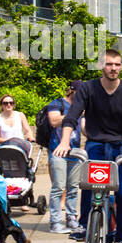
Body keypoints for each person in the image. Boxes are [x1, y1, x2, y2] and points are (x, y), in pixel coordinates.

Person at [55, 48, 122, 243]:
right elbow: (71, 117)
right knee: (89, 185)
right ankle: (85, 224)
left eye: (117, 64)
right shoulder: (88, 88)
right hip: (97, 145)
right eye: (108, 64)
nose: (113, 68)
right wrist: (64, 142)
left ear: (121, 66)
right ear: (101, 66)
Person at [43, 81, 84, 235]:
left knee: (73, 188)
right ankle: (55, 222)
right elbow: (53, 121)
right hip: (57, 151)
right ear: (71, 91)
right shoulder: (57, 104)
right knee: (58, 188)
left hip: (74, 152)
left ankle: (71, 218)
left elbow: (85, 129)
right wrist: (75, 114)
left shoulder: (82, 108)